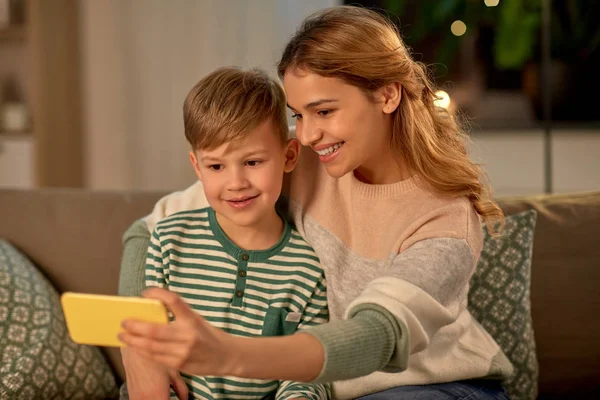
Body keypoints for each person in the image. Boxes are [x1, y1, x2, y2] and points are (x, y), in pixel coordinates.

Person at [118, 6, 513, 400]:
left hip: (432, 386)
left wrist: (226, 355)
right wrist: (142, 354)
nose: (307, 135)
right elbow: (148, 229)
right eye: (298, 115)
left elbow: (378, 334)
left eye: (324, 111)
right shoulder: (297, 158)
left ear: (388, 95)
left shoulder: (445, 219)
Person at [119, 67, 330, 400]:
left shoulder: (308, 267)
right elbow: (154, 354)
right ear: (197, 167)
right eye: (216, 166)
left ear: (288, 156)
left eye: (253, 162)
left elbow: (306, 373)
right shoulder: (168, 240)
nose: (236, 183)